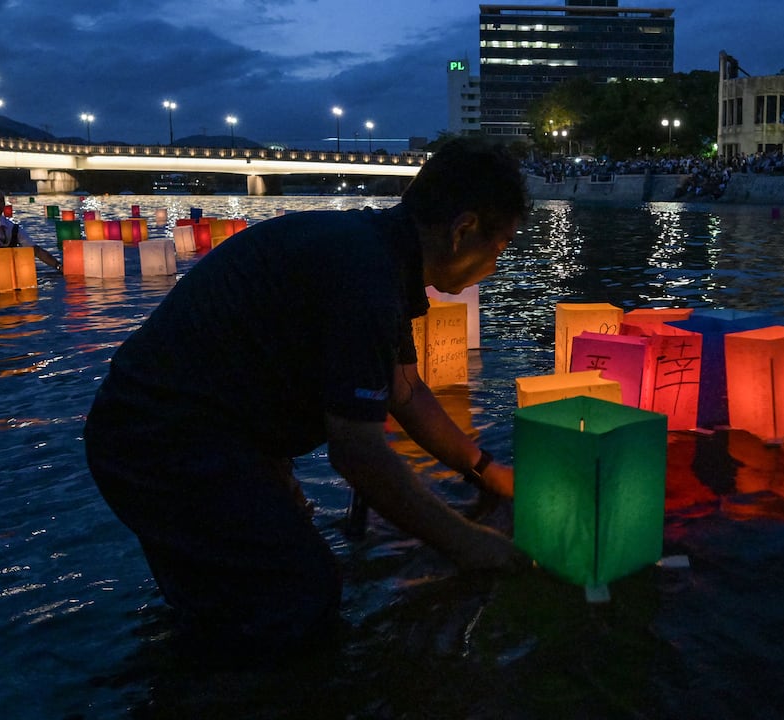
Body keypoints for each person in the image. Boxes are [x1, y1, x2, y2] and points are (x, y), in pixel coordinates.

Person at [83, 138, 531, 652]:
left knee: (237, 599)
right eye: (500, 248)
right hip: (158, 440)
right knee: (301, 594)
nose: (495, 266)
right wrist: (468, 542)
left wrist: (484, 470)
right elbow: (358, 453)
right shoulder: (365, 278)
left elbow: (404, 392)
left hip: (189, 432)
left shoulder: (376, 255)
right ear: (463, 230)